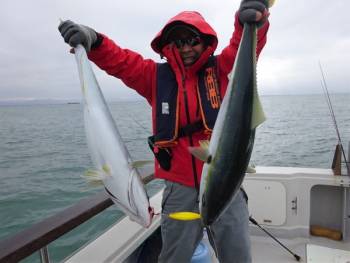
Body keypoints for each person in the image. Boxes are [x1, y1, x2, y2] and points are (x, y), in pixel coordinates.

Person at [59, 1, 270, 262]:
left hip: (226, 184)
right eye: (178, 43)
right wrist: (95, 41)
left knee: (237, 255)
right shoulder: (154, 77)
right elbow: (122, 62)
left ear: (205, 41)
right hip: (178, 189)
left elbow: (246, 47)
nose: (186, 48)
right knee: (174, 257)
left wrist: (250, 20)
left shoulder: (223, 68)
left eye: (192, 40)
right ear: (169, 47)